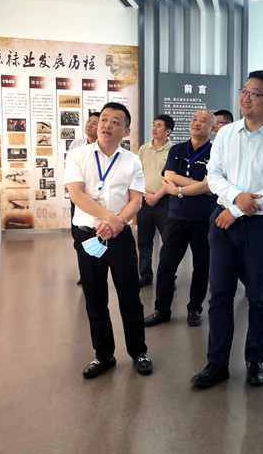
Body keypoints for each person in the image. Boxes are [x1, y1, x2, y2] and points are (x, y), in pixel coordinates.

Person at [191, 70, 263, 388]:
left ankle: (255, 360)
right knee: (220, 295)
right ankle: (217, 363)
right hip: (223, 224)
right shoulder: (226, 135)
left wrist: (235, 210)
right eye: (244, 91)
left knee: (259, 296)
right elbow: (214, 175)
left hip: (260, 227)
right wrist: (236, 199)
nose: (246, 97)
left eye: (255, 93)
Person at [64, 102, 153, 379]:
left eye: (116, 122)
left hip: (120, 236)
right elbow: (77, 195)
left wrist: (117, 224)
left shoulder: (132, 160)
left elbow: (136, 200)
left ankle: (138, 351)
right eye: (104, 119)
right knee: (95, 297)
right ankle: (103, 354)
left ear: (125, 130)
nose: (107, 125)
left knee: (130, 297)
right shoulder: (78, 155)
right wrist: (109, 218)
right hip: (89, 235)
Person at [143, 110, 217, 327]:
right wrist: (199, 186)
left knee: (202, 266)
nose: (197, 123)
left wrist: (179, 189)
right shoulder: (177, 150)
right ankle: (161, 310)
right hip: (176, 217)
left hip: (204, 219)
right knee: (166, 265)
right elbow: (169, 177)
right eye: (194, 119)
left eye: (203, 121)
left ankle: (194, 308)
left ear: (212, 128)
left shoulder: (215, 153)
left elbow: (211, 187)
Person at [136, 114, 174, 288]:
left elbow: (172, 178)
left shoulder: (173, 150)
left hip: (165, 201)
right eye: (153, 124)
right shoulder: (144, 149)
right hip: (145, 201)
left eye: (159, 125)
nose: (154, 128)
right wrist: (146, 194)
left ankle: (168, 278)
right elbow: (137, 174)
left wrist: (157, 196)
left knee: (169, 242)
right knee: (144, 240)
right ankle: (145, 275)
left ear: (168, 131)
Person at [68, 111, 100, 286]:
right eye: (89, 121)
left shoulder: (103, 146)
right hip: (79, 196)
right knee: (78, 233)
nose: (89, 125)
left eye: (94, 123)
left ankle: (95, 271)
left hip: (96, 198)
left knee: (95, 232)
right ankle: (85, 272)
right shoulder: (76, 145)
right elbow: (71, 170)